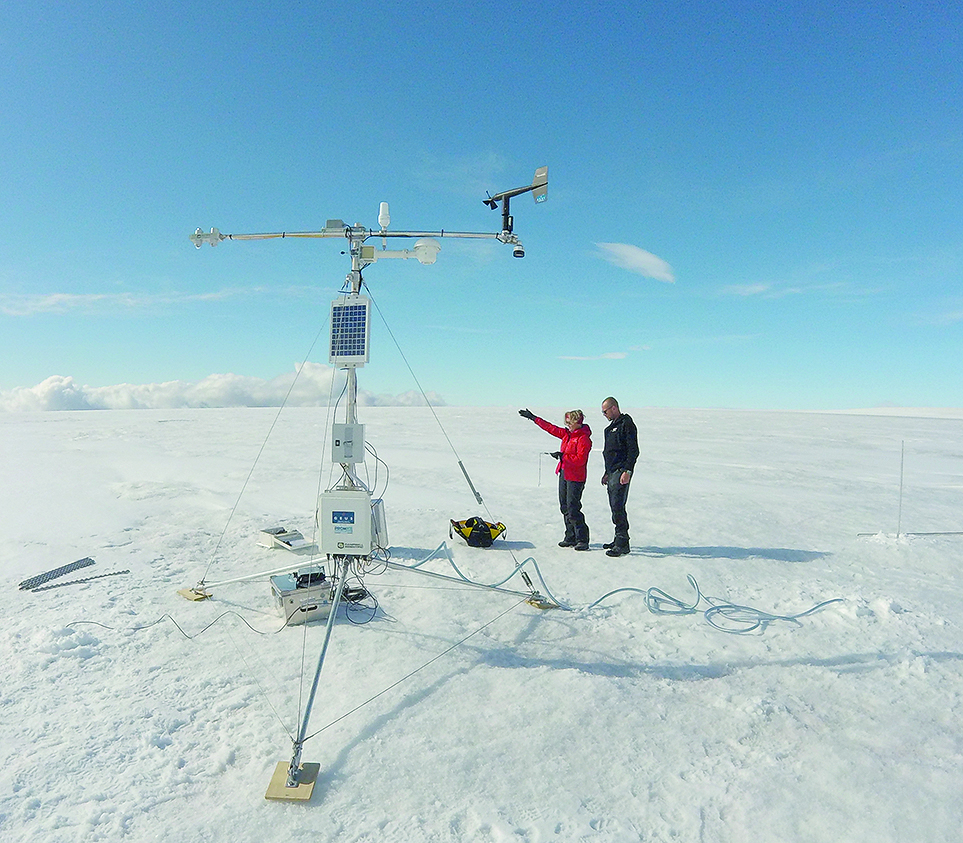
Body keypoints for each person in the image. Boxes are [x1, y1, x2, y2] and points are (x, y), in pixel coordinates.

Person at [519, 408, 592, 551]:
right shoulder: (567, 434)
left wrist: (562, 456)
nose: (567, 425)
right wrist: (533, 418)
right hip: (564, 474)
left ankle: (582, 539)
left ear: (577, 422)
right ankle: (570, 536)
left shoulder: (583, 439)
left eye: (569, 422)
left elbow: (580, 460)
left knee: (573, 507)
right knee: (564, 506)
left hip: (576, 478)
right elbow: (550, 428)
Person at [600, 397, 639, 557]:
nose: (604, 414)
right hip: (613, 472)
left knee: (618, 506)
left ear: (614, 408)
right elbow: (609, 453)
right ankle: (618, 538)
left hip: (622, 471)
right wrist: (606, 473)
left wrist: (627, 471)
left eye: (605, 411)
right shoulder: (610, 429)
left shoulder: (626, 424)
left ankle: (623, 543)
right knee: (614, 506)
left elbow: (633, 450)